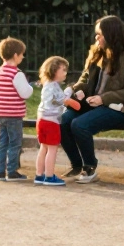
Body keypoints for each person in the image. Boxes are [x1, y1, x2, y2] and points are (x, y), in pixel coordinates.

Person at [60, 15, 124, 184]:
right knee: (62, 120)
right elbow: (84, 79)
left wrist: (103, 98)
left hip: (119, 108)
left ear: (112, 35)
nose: (96, 37)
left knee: (79, 124)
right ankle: (76, 165)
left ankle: (89, 168)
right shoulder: (96, 53)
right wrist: (72, 89)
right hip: (92, 104)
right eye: (96, 34)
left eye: (100, 34)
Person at [0, 36, 32, 182]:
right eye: (22, 54)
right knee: (15, 143)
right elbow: (25, 93)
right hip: (14, 114)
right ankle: (12, 171)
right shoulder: (17, 73)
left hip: (1, 113)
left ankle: (0, 171)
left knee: (3, 142)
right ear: (16, 55)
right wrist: (30, 87)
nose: (23, 57)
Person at [33, 56, 72, 187]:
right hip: (52, 121)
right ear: (55, 70)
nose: (65, 73)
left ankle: (39, 174)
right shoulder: (55, 86)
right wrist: (71, 90)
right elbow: (64, 100)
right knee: (52, 149)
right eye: (63, 70)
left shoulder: (47, 85)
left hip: (41, 119)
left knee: (43, 147)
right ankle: (49, 176)